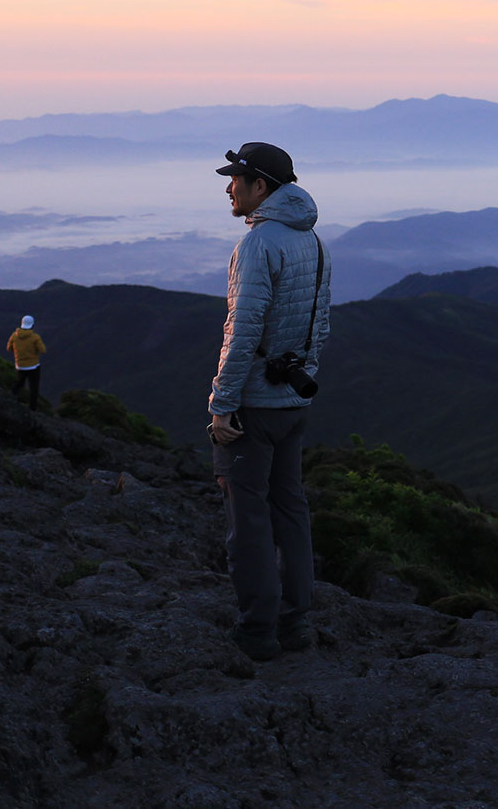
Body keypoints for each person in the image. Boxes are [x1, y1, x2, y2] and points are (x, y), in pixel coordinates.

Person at [209, 141, 331, 662]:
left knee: (249, 520)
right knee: (292, 509)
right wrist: (302, 375)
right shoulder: (315, 242)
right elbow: (319, 326)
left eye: (236, 179)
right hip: (294, 402)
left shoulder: (259, 245)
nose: (228, 188)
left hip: (253, 409)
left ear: (262, 187)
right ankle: (296, 622)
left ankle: (257, 630)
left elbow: (243, 330)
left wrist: (222, 402)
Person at [5, 315, 47, 411]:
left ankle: (10, 400)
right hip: (33, 366)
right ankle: (32, 409)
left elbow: (9, 348)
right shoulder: (35, 337)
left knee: (19, 384)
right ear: (32, 325)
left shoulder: (14, 336)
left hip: (20, 366)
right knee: (34, 388)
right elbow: (43, 350)